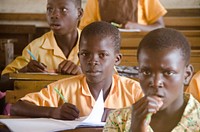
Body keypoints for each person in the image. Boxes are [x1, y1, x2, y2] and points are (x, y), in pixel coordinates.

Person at [10, 21, 143, 121]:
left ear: (117, 59)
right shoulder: (64, 88)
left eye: (102, 55)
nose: (93, 61)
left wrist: (121, 114)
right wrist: (53, 112)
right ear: (79, 57)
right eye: (85, 54)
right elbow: (17, 107)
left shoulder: (133, 90)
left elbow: (158, 116)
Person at [104, 28, 200, 132]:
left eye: (168, 73)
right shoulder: (118, 119)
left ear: (187, 75)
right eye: (146, 72)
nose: (155, 83)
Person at [0, 0, 83, 115]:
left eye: (63, 10)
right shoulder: (36, 48)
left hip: (83, 113)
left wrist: (82, 72)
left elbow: (114, 79)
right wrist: (23, 72)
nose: (54, 15)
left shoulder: (91, 44)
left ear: (79, 13)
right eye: (50, 9)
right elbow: (3, 82)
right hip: (42, 115)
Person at [79, 0, 167, 31]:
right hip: (106, 49)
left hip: (140, 46)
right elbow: (85, 29)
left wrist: (136, 26)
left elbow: (160, 26)